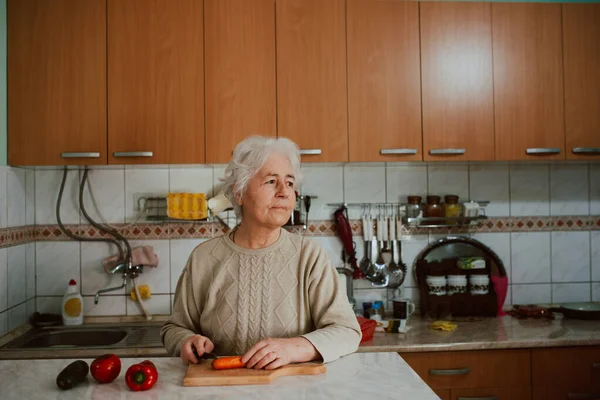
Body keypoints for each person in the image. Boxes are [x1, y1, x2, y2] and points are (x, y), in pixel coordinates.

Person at [161, 136, 361, 370]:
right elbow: (174, 329)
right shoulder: (203, 258)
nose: (284, 192)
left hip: (293, 392)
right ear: (239, 192)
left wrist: (294, 348)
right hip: (220, 390)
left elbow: (347, 331)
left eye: (289, 183)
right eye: (271, 181)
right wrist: (187, 341)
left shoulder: (310, 257)